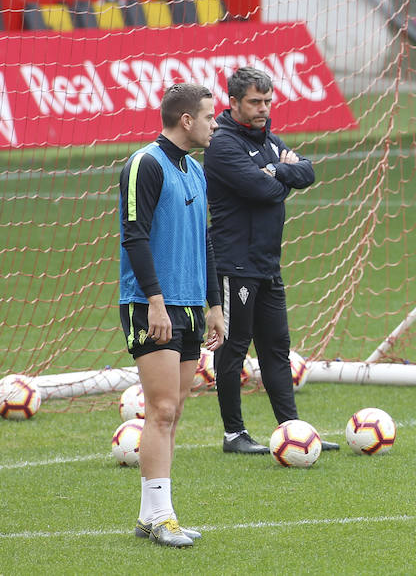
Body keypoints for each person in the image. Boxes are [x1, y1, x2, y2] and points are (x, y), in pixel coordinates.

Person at [203, 67, 339, 453]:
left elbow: (307, 172)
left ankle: (292, 429)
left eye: (267, 101)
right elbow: (263, 191)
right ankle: (234, 434)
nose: (263, 108)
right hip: (234, 264)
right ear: (233, 103)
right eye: (255, 102)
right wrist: (283, 175)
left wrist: (277, 169)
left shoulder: (267, 140)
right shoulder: (223, 144)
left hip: (266, 264)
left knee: (277, 347)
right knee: (233, 347)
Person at [119, 83, 225, 547]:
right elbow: (134, 236)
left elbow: (205, 241)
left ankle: (151, 516)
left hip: (189, 305)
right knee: (161, 409)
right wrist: (155, 300)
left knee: (174, 410)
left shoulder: (195, 170)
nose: (214, 125)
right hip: (151, 305)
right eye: (209, 117)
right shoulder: (145, 163)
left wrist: (214, 304)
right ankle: (162, 517)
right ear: (186, 120)